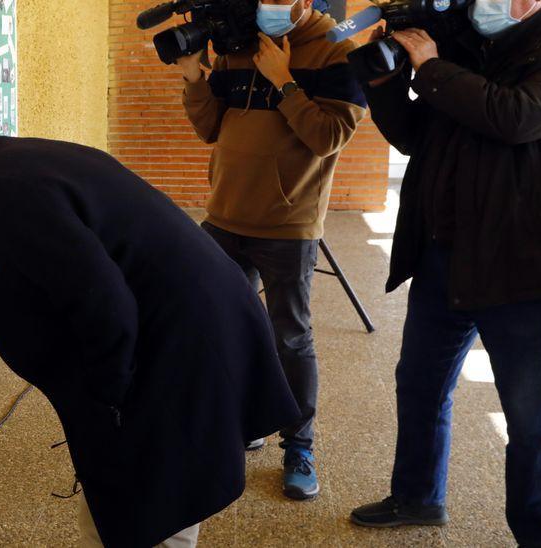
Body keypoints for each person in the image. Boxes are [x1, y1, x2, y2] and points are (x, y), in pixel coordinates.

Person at [0, 99, 301, 547]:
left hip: (176, 339)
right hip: (183, 319)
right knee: (134, 508)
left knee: (154, 511)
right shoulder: (11, 161)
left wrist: (110, 403)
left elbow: (101, 298)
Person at [346, 2, 541, 546]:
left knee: (532, 420)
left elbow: (514, 118)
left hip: (528, 271)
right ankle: (418, 497)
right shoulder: (463, 48)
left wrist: (432, 66)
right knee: (419, 384)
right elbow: (415, 137)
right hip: (445, 257)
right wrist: (383, 77)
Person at [176, 0, 367, 501]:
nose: (262, 9)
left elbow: (329, 136)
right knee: (228, 328)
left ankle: (299, 446)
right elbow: (210, 127)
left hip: (289, 224)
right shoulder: (237, 45)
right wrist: (195, 79)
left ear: (304, 2)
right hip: (224, 217)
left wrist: (285, 82)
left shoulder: (336, 51)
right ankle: (248, 419)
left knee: (291, 339)